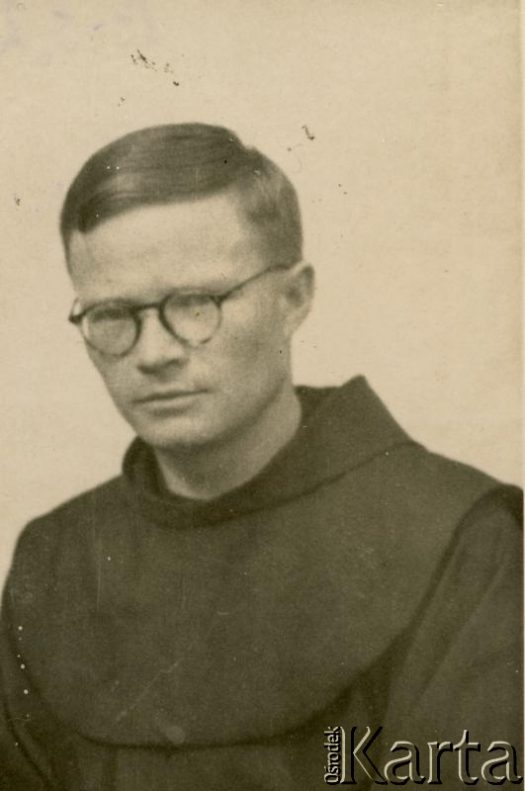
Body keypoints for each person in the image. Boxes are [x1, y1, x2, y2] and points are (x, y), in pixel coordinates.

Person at [0, 123, 521, 790]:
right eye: (113, 314)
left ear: (293, 298)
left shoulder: (459, 541)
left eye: (195, 302)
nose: (153, 351)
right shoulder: (55, 559)